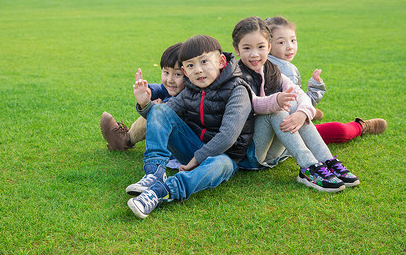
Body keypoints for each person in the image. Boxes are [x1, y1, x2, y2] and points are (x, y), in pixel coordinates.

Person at [127, 35, 254, 219]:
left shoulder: (238, 90)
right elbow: (161, 116)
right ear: (185, 71)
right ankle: (154, 173)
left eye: (204, 62)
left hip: (225, 156)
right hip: (193, 147)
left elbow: (228, 136)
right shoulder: (190, 89)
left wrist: (196, 160)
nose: (198, 71)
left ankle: (160, 191)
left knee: (219, 164)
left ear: (221, 61)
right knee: (160, 110)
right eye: (191, 65)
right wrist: (145, 104)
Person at [233, 16, 359, 193]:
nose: (255, 54)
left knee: (297, 110)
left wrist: (302, 114)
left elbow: (300, 95)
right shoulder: (236, 76)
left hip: (273, 153)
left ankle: (328, 161)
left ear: (269, 47)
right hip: (250, 153)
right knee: (275, 111)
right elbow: (251, 104)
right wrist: (276, 101)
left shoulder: (272, 70)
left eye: (260, 47)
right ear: (236, 49)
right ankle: (308, 168)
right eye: (247, 48)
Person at [265, 16, 387, 144]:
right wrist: (315, 90)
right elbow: (293, 112)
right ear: (268, 45)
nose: (290, 47)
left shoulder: (257, 64)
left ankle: (311, 114)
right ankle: (361, 126)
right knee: (339, 130)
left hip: (267, 127)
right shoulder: (285, 70)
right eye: (281, 42)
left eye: (293, 40)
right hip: (282, 133)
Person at [100, 43, 184, 151]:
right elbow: (161, 88)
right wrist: (148, 90)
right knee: (157, 107)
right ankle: (125, 138)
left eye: (177, 74)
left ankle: (125, 139)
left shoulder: (190, 95)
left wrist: (155, 107)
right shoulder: (176, 87)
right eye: (166, 72)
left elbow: (174, 107)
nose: (170, 80)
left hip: (183, 150)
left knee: (159, 109)